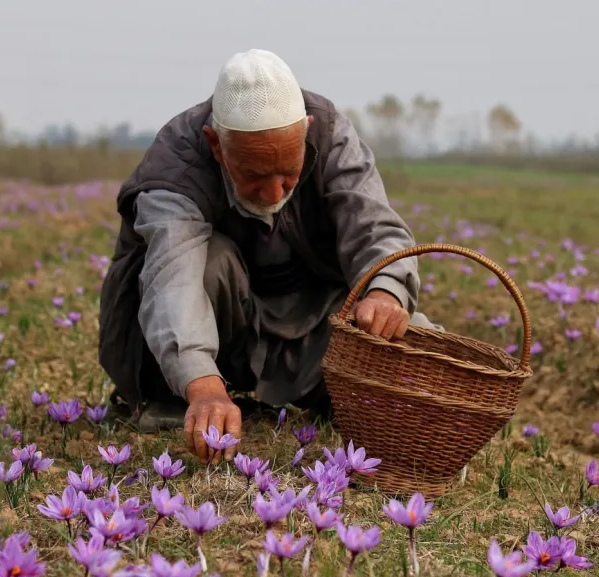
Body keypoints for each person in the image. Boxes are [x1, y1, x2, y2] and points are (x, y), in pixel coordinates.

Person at [99, 49, 438, 464]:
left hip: (309, 321)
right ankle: (178, 394)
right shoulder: (178, 165)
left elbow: (373, 226)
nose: (275, 194)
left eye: (288, 173)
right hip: (216, 321)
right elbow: (174, 281)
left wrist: (385, 291)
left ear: (305, 131)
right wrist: (202, 384)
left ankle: (335, 394)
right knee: (209, 261)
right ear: (216, 146)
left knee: (414, 340)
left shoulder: (331, 136)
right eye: (255, 175)